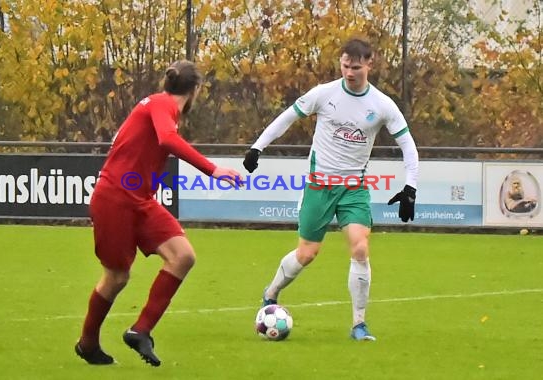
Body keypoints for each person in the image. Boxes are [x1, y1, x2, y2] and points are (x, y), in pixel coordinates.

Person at [243, 38, 419, 341]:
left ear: (369, 65)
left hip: (354, 189)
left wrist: (410, 188)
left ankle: (359, 325)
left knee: (361, 248)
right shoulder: (324, 94)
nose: (349, 72)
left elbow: (408, 144)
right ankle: (271, 292)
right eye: (345, 66)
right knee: (307, 253)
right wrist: (257, 147)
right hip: (319, 186)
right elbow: (287, 117)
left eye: (356, 67)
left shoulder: (381, 105)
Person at [75, 60, 241, 367]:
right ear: (196, 91)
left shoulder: (157, 104)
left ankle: (140, 331)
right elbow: (167, 139)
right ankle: (87, 342)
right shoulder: (163, 105)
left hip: (141, 199)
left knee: (183, 256)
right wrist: (213, 169)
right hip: (115, 198)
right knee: (117, 276)